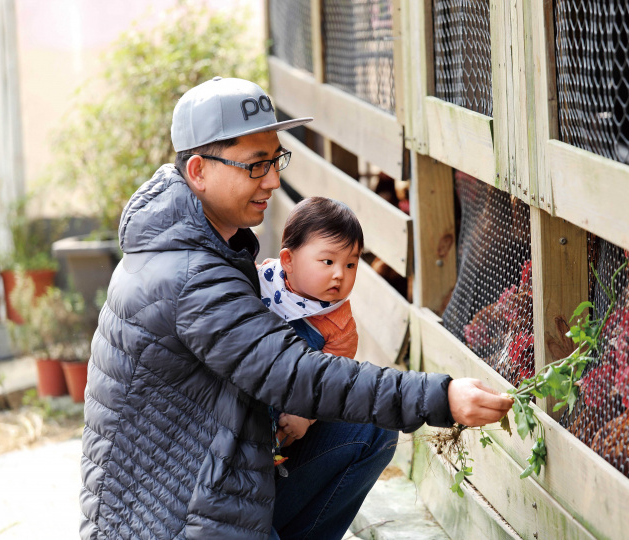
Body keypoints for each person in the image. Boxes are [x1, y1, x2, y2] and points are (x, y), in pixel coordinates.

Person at [80, 76, 514, 540]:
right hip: (172, 524)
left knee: (364, 432)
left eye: (275, 160)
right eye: (255, 165)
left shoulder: (198, 248)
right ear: (198, 171)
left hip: (197, 484)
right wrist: (440, 397)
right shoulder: (192, 277)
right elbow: (293, 373)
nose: (272, 179)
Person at [258, 197, 364, 462]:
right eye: (328, 261)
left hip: (281, 416)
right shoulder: (259, 280)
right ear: (288, 260)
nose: (340, 274)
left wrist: (305, 415)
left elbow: (330, 383)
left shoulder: (341, 328)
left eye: (350, 264)